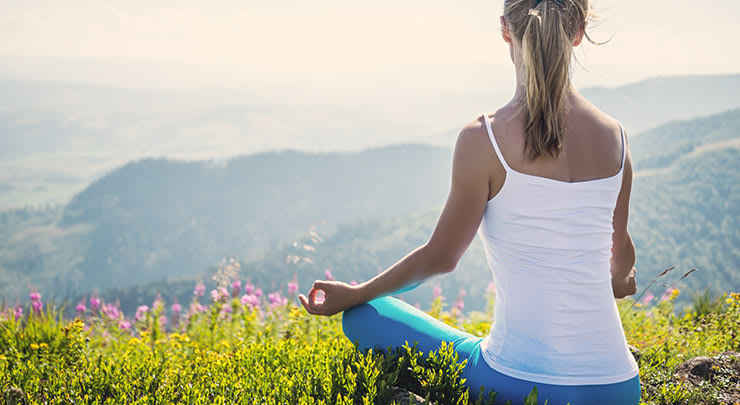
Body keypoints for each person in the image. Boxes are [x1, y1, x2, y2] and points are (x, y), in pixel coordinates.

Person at [299, 0, 641, 403]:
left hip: (519, 384)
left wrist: (356, 294)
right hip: (618, 388)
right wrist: (619, 280)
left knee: (366, 318)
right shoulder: (615, 137)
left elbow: (440, 258)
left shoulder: (485, 138)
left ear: (505, 30)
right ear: (579, 31)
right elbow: (620, 252)